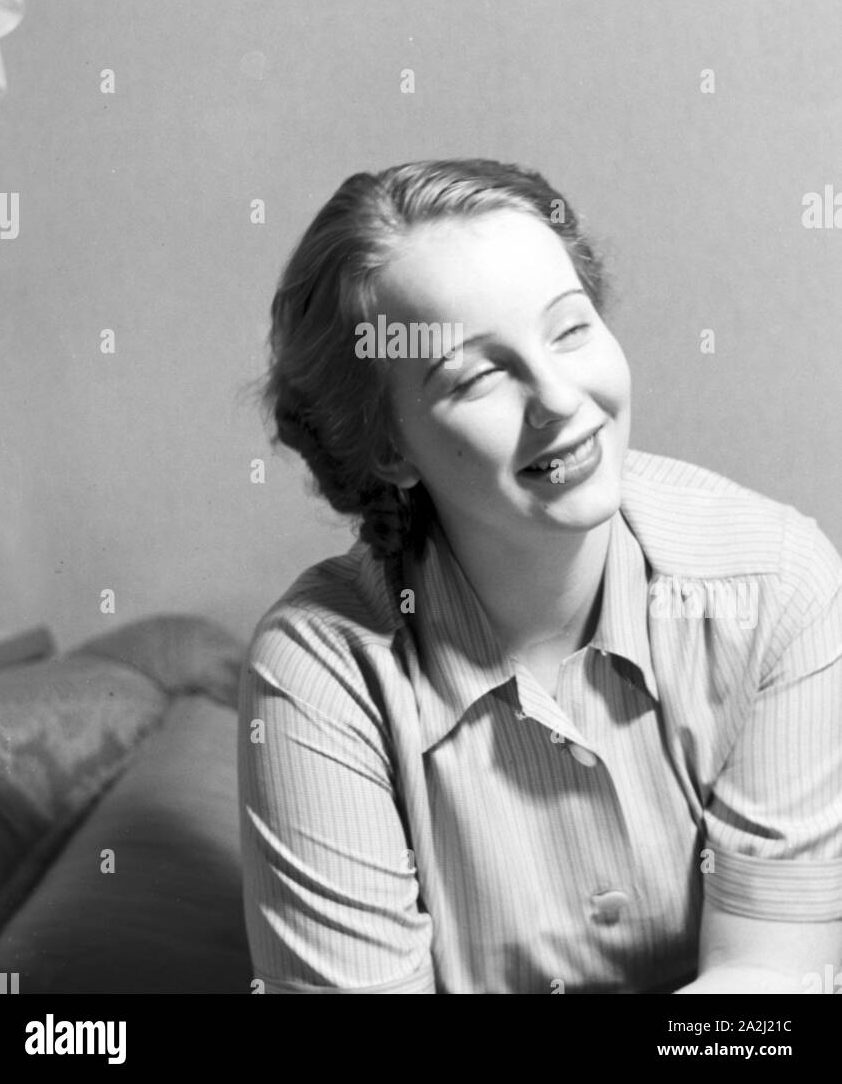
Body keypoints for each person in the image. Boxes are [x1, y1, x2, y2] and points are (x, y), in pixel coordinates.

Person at [237, 158, 842, 994]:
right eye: (479, 375)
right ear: (387, 448)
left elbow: (767, 993)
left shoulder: (777, 581)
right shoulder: (319, 670)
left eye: (570, 329)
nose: (558, 397)